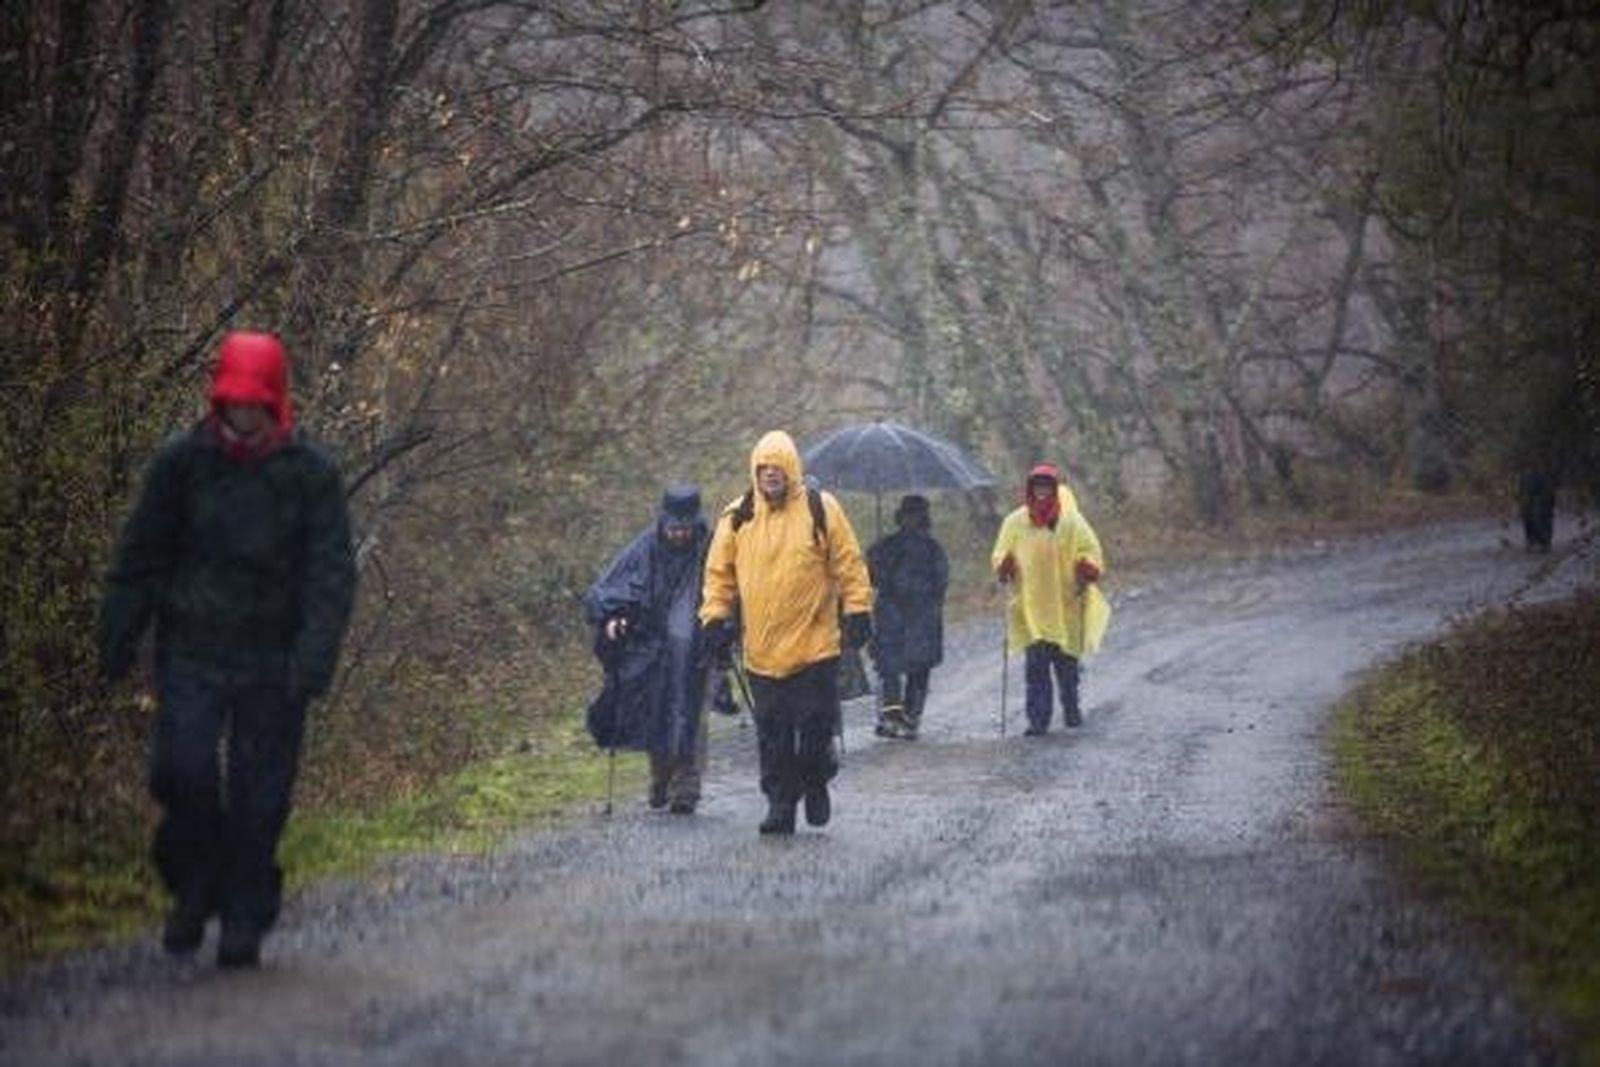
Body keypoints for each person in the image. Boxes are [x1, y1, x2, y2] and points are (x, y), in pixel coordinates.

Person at [97, 331, 356, 969]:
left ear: (275, 402)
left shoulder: (310, 475)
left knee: (259, 797)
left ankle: (244, 913)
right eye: (235, 402)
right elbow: (141, 555)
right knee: (180, 772)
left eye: (255, 404)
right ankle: (195, 882)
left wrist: (312, 659)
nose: (244, 415)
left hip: (274, 659)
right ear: (220, 400)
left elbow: (330, 576)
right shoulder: (181, 464)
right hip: (193, 649)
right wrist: (118, 633)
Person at [699, 431, 873, 834]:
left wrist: (858, 609)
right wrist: (715, 619)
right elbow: (718, 576)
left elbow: (849, 564)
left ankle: (816, 778)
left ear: (791, 469)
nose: (770, 475)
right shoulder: (737, 516)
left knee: (814, 727)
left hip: (816, 647)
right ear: (754, 472)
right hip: (761, 651)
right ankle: (780, 804)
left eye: (777, 468)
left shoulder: (820, 508)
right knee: (773, 735)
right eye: (763, 468)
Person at [583, 485, 713, 814]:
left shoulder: (711, 548)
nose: (679, 534)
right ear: (663, 522)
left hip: (698, 646)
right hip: (654, 647)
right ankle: (661, 776)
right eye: (673, 528)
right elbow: (608, 589)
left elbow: (730, 586)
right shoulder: (645, 547)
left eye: (685, 528)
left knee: (691, 714)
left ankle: (686, 786)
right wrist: (613, 617)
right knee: (659, 710)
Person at [990, 463, 1109, 736]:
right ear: (1029, 489)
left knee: (1067, 666)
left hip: (1066, 605)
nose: (1041, 491)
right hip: (1031, 607)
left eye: (1046, 486)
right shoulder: (1015, 522)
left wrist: (1087, 566)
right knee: (1036, 668)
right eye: (1037, 486)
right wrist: (1004, 565)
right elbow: (1000, 553)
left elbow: (1091, 549)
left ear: (1054, 489)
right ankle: (1038, 720)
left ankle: (1071, 707)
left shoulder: (1071, 521)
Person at [867, 494, 949, 741]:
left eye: (915, 515)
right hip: (900, 615)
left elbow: (940, 582)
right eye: (908, 515)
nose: (911, 520)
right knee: (895, 668)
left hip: (913, 615)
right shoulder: (895, 547)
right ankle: (897, 716)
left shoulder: (926, 548)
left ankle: (905, 717)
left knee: (911, 668)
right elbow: (872, 577)